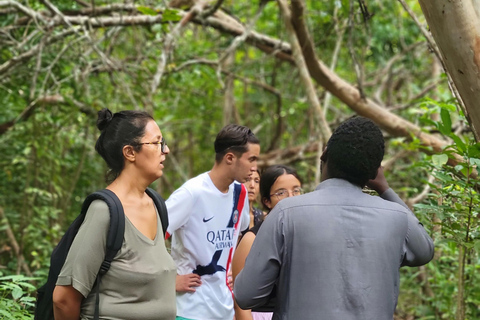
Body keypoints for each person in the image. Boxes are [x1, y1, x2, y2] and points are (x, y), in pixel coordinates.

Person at [234, 116, 435, 320]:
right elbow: (424, 250)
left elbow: (245, 295)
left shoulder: (286, 213)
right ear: (375, 172)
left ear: (324, 155)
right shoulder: (396, 217)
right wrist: (385, 189)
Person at [52, 108, 176, 320]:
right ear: (130, 152)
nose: (166, 150)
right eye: (157, 143)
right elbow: (63, 299)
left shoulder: (156, 205)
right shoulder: (104, 212)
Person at [166, 124, 260, 320]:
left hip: (225, 310)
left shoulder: (240, 193)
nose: (255, 168)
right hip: (189, 310)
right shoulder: (191, 193)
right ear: (230, 158)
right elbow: (150, 236)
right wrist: (167, 281)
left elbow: (240, 236)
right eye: (251, 159)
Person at [233, 165, 303, 320]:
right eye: (281, 193)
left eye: (296, 190)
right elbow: (241, 304)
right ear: (267, 201)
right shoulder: (251, 239)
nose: (291, 197)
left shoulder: (308, 234)